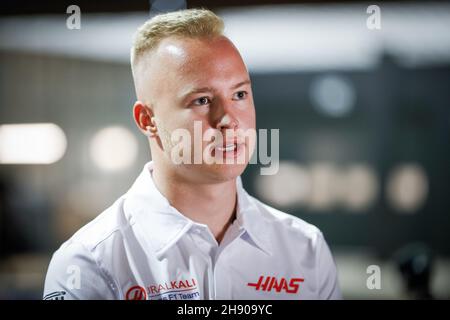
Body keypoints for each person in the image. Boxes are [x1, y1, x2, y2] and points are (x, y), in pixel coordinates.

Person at [43, 8, 341, 300]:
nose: (228, 119)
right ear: (148, 120)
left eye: (239, 94)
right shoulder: (89, 263)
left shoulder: (305, 250)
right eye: (202, 100)